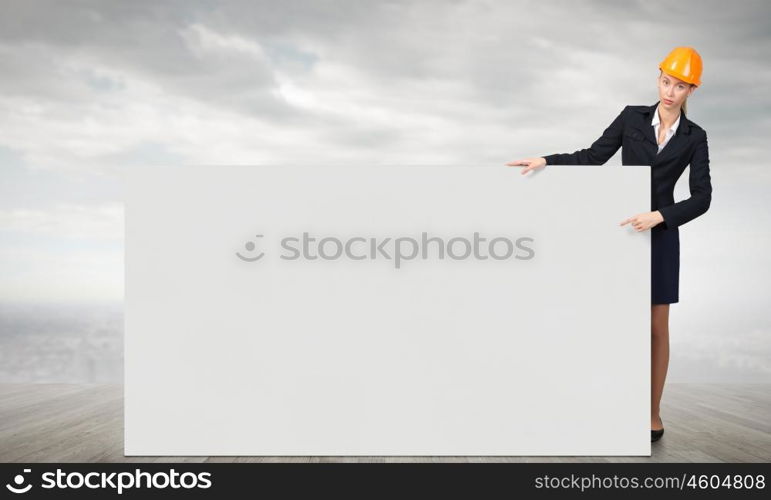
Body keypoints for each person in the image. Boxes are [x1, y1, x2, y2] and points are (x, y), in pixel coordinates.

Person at [505, 47, 712, 443]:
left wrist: (661, 216)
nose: (670, 92)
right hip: (621, 231)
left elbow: (702, 197)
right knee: (609, 319)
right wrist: (547, 161)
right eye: (665, 81)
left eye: (680, 86)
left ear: (691, 90)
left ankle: (651, 412)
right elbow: (593, 156)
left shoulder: (694, 137)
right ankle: (600, 402)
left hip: (661, 235)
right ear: (658, 78)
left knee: (656, 327)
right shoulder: (631, 117)